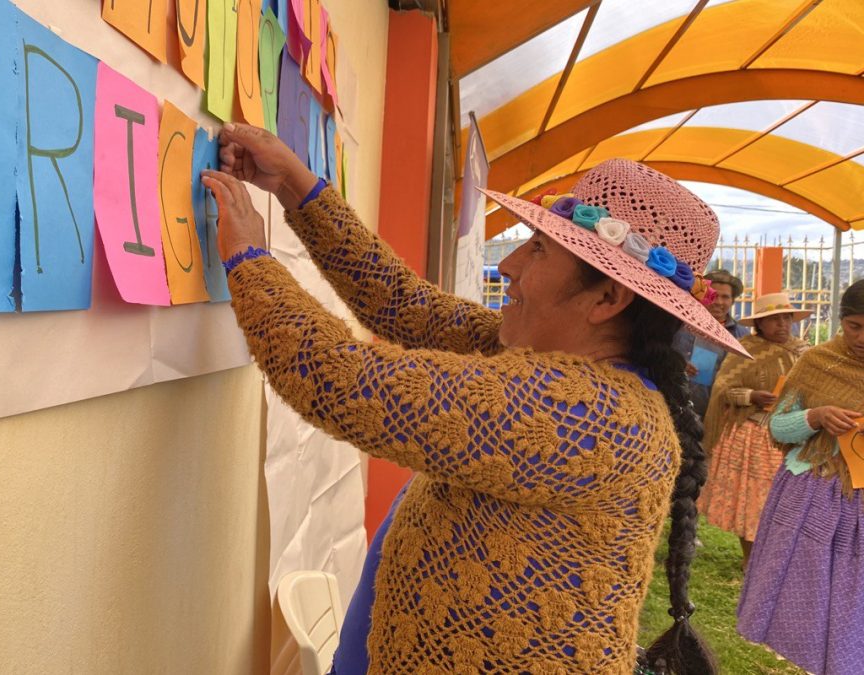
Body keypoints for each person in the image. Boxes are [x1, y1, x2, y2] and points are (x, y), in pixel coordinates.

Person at [203, 124, 748, 674]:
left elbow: (336, 379)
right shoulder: (555, 363)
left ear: (607, 298)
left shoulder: (587, 413)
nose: (507, 265)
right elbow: (403, 306)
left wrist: (248, 255)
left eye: (537, 250)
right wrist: (296, 185)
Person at [736, 280, 864, 675]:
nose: (861, 338)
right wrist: (815, 416)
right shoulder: (816, 362)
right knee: (812, 594)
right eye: (854, 326)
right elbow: (778, 427)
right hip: (817, 495)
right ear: (841, 321)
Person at [695, 292, 810, 568]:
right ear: (760, 324)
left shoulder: (805, 352)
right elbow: (724, 390)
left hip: (796, 438)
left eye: (786, 318)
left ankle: (778, 558)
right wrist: (751, 396)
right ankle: (751, 559)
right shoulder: (745, 350)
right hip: (756, 437)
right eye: (774, 319)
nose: (782, 324)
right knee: (754, 503)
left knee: (790, 501)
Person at [672, 270, 750, 418]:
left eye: (725, 297)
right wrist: (677, 364)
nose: (719, 302)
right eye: (714, 295)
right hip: (675, 411)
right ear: (703, 296)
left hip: (719, 416)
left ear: (732, 301)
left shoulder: (741, 336)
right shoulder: (680, 325)